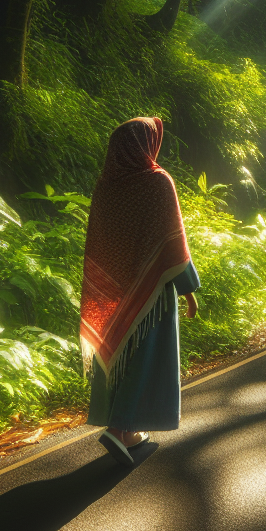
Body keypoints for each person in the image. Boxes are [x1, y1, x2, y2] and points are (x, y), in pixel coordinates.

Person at [80, 117, 201, 466]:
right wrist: (189, 290)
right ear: (144, 145)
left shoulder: (106, 186)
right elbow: (174, 243)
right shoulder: (157, 181)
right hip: (153, 289)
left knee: (120, 352)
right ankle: (121, 429)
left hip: (112, 292)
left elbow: (100, 243)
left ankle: (123, 428)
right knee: (145, 358)